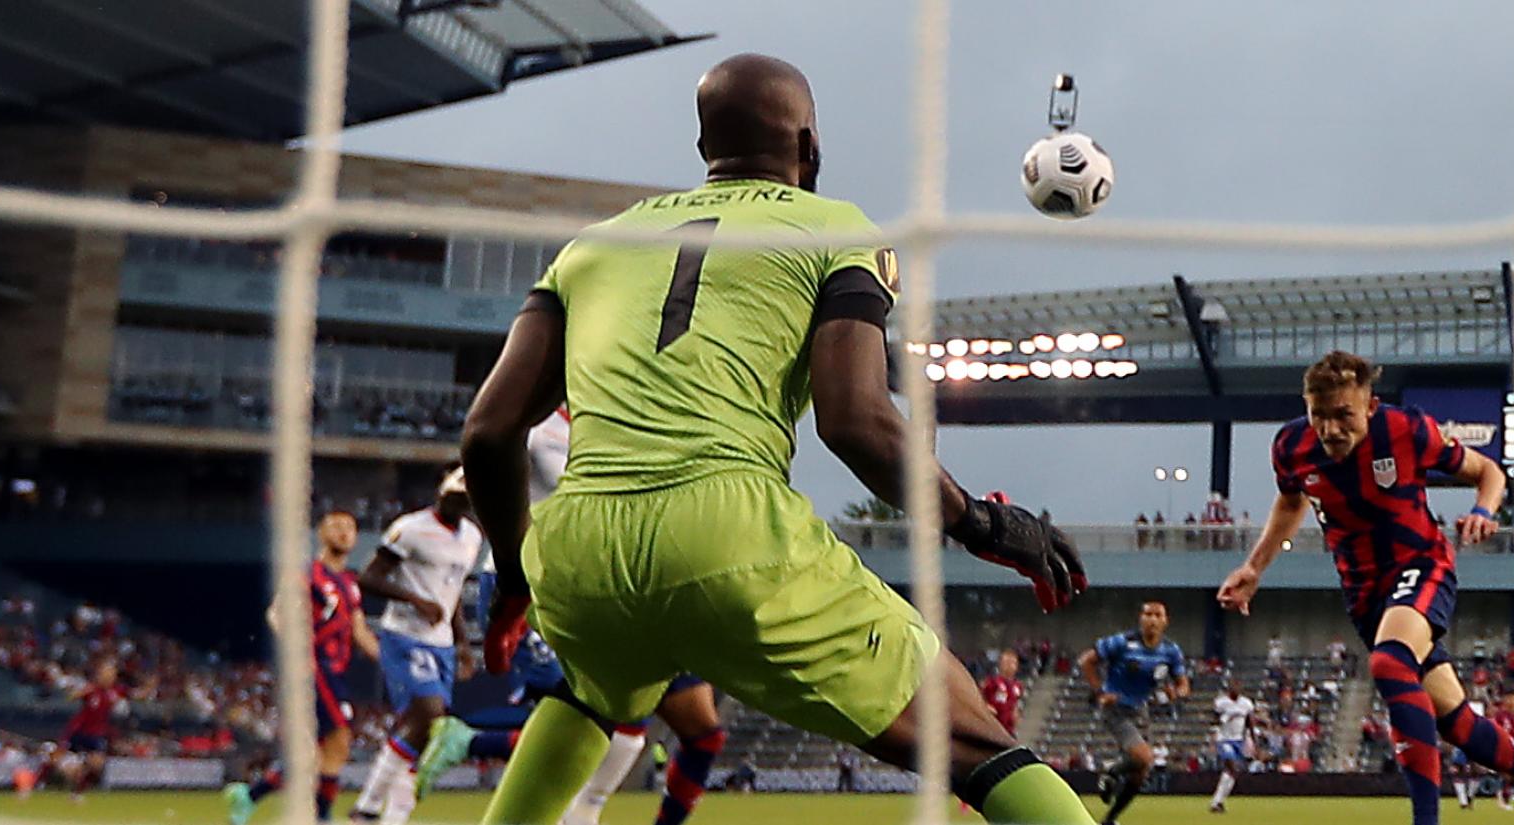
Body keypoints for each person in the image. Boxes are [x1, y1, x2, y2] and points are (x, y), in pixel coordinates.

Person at [457, 52, 1089, 825]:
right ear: (809, 145)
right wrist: (985, 523)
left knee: (591, 691)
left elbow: (488, 431)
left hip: (579, 549)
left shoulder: (593, 245)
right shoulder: (834, 228)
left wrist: (515, 578)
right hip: (727, 532)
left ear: (703, 150)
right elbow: (856, 423)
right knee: (969, 738)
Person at [1215, 351, 1514, 825]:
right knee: (1456, 723)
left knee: (1389, 662)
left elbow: (1489, 472)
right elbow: (1290, 503)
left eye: (1343, 415)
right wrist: (1254, 567)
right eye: (1319, 415)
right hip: (1365, 594)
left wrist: (1483, 511)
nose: (1330, 429)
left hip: (1421, 565)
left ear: (1370, 407)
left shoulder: (1406, 430)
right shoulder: (1290, 446)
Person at [417, 406, 728, 825]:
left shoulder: (635, 417)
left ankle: (473, 742)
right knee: (594, 715)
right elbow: (476, 463)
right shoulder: (536, 419)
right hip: (537, 588)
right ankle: (479, 748)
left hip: (625, 592)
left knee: (701, 733)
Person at [224, 511, 380, 825]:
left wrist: (390, 660)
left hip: (336, 671)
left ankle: (250, 795)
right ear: (321, 534)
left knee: (315, 754)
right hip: (315, 667)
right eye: (336, 526)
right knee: (339, 739)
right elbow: (277, 614)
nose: (344, 532)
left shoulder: (350, 584)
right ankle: (321, 816)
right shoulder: (308, 575)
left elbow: (359, 631)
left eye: (349, 527)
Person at [348, 466, 484, 825]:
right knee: (429, 714)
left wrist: (463, 644)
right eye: (454, 496)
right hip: (405, 636)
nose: (459, 503)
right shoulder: (411, 528)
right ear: (441, 492)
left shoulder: (472, 535)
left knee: (423, 732)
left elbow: (452, 592)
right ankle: (368, 807)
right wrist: (414, 599)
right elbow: (369, 578)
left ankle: (382, 814)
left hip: (442, 644)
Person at [1078, 601, 1189, 825]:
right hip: (1116, 708)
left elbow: (1183, 685)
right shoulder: (1122, 642)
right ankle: (1111, 772)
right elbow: (1086, 661)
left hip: (1140, 710)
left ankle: (1109, 819)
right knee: (1144, 757)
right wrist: (1100, 691)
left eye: (1158, 615)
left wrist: (1176, 693)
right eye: (1148, 614)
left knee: (1141, 773)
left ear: (1165, 621)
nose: (1152, 620)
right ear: (1141, 618)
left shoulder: (1171, 650)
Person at [53, 660, 126, 802]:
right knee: (67, 767)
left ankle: (78, 792)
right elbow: (72, 696)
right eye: (106, 674)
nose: (109, 677)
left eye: (112, 674)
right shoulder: (91, 690)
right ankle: (49, 782)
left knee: (97, 764)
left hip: (96, 735)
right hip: (78, 732)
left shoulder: (113, 692)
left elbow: (132, 695)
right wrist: (75, 692)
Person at [1208, 681, 1255, 813]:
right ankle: (1216, 801)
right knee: (1232, 766)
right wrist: (1214, 736)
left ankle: (1218, 802)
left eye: (1238, 687)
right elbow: (1214, 721)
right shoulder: (1221, 703)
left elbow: (1250, 722)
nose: (1236, 690)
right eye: (1234, 687)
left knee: (1232, 772)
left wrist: (1253, 739)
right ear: (1229, 689)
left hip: (1238, 740)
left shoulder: (1246, 703)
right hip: (1224, 739)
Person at [980, 650, 1026, 735]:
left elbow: (1015, 703)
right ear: (1000, 664)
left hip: (1009, 730)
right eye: (1006, 662)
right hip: (993, 726)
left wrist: (1016, 715)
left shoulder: (1018, 686)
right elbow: (979, 696)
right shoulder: (992, 681)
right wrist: (986, 706)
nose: (1009, 666)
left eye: (1012, 663)